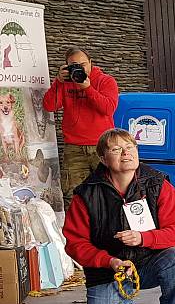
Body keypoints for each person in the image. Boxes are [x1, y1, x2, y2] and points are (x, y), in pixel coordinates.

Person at [63, 129, 175, 304]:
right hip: (109, 271)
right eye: (116, 149)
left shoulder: (158, 184)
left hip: (148, 263)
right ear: (103, 159)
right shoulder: (85, 195)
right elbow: (76, 244)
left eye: (130, 147)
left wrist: (144, 238)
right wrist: (110, 261)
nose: (126, 153)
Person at [43, 47, 119, 205]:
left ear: (91, 63)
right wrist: (58, 81)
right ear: (67, 66)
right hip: (74, 147)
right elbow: (49, 106)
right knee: (73, 194)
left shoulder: (105, 81)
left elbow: (108, 108)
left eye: (83, 64)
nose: (79, 69)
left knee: (110, 191)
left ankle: (108, 229)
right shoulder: (65, 83)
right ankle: (77, 229)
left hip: (102, 146)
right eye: (74, 65)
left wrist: (87, 88)